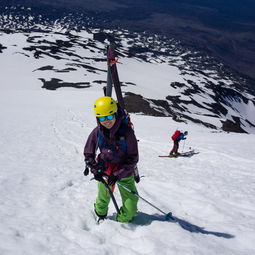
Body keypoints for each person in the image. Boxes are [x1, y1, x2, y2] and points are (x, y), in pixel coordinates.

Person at [84, 96, 139, 223]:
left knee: (131, 206)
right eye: (102, 118)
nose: (106, 121)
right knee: (103, 198)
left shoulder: (127, 132)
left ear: (115, 114)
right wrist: (95, 169)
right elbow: (88, 153)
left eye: (109, 116)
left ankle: (121, 223)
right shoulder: (97, 132)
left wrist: (118, 174)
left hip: (124, 171)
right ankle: (100, 214)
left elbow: (133, 158)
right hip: (105, 170)